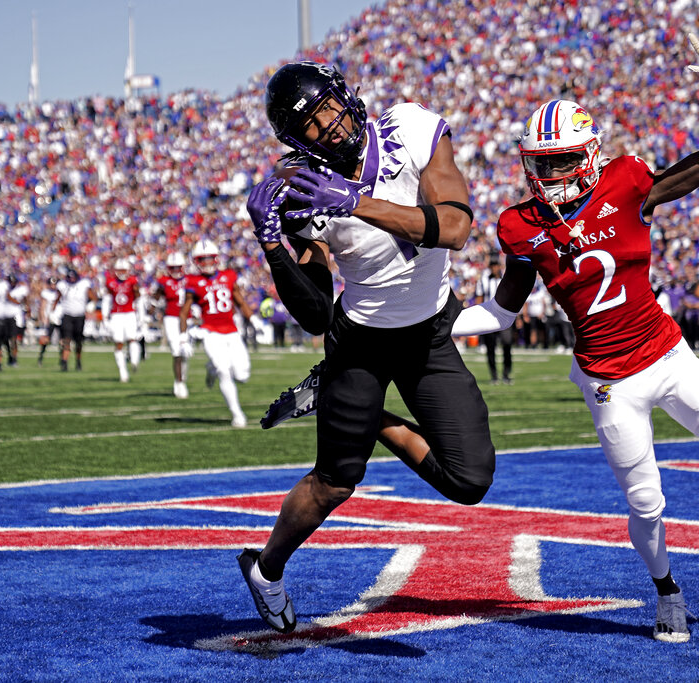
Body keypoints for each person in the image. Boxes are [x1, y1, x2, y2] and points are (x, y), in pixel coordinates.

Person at [452, 20, 699, 643]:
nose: (553, 172)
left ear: (588, 155)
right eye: (542, 162)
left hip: (668, 354)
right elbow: (502, 313)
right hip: (607, 379)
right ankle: (667, 591)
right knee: (645, 502)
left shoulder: (626, 183)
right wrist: (432, 325)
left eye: (563, 159)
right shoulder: (518, 225)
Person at [241, 61, 495, 633]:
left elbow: (453, 225)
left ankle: (361, 412)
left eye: (329, 107)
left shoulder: (409, 127)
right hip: (359, 343)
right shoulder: (299, 192)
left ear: (347, 95)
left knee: (469, 480)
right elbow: (312, 310)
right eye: (311, 124)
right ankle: (266, 568)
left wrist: (354, 202)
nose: (329, 125)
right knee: (336, 480)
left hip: (428, 332)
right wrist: (273, 244)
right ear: (293, 140)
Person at [179, 239, 253, 427]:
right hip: (210, 333)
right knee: (224, 371)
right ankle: (237, 414)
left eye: (209, 258)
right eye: (202, 259)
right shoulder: (193, 282)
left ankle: (211, 368)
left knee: (242, 375)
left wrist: (253, 320)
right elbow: (184, 311)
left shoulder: (228, 276)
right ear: (196, 261)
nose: (206, 262)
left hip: (232, 332)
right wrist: (182, 338)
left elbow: (240, 301)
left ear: (216, 258)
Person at [155, 251, 192, 399]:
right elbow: (156, 296)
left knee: (185, 353)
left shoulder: (190, 280)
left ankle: (181, 378)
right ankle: (179, 382)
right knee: (176, 351)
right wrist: (156, 294)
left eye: (178, 267)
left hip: (186, 318)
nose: (176, 270)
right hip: (170, 318)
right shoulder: (164, 281)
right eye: (173, 267)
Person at [474, 257, 516, 384]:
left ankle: (506, 374)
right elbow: (479, 298)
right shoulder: (483, 280)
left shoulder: (507, 279)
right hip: (488, 316)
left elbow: (514, 297)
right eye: (492, 266)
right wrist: (479, 315)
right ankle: (494, 375)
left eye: (496, 265)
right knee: (490, 347)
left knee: (507, 344)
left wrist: (516, 316)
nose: (494, 268)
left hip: (504, 317)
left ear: (500, 266)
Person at [104, 258, 141, 383]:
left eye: (123, 270)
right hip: (116, 315)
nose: (121, 273)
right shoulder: (110, 282)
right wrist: (105, 317)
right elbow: (107, 298)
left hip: (130, 313)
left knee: (132, 339)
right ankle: (123, 372)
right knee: (119, 343)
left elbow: (138, 298)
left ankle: (134, 360)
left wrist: (141, 315)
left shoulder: (132, 281)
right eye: (119, 270)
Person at [54, 267, 96, 371]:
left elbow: (93, 297)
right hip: (67, 315)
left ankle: (78, 361)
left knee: (78, 342)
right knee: (66, 339)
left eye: (73, 278)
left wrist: (90, 306)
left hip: (79, 316)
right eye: (70, 278)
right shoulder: (63, 285)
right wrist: (53, 312)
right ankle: (64, 362)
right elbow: (57, 299)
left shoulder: (84, 284)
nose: (72, 280)